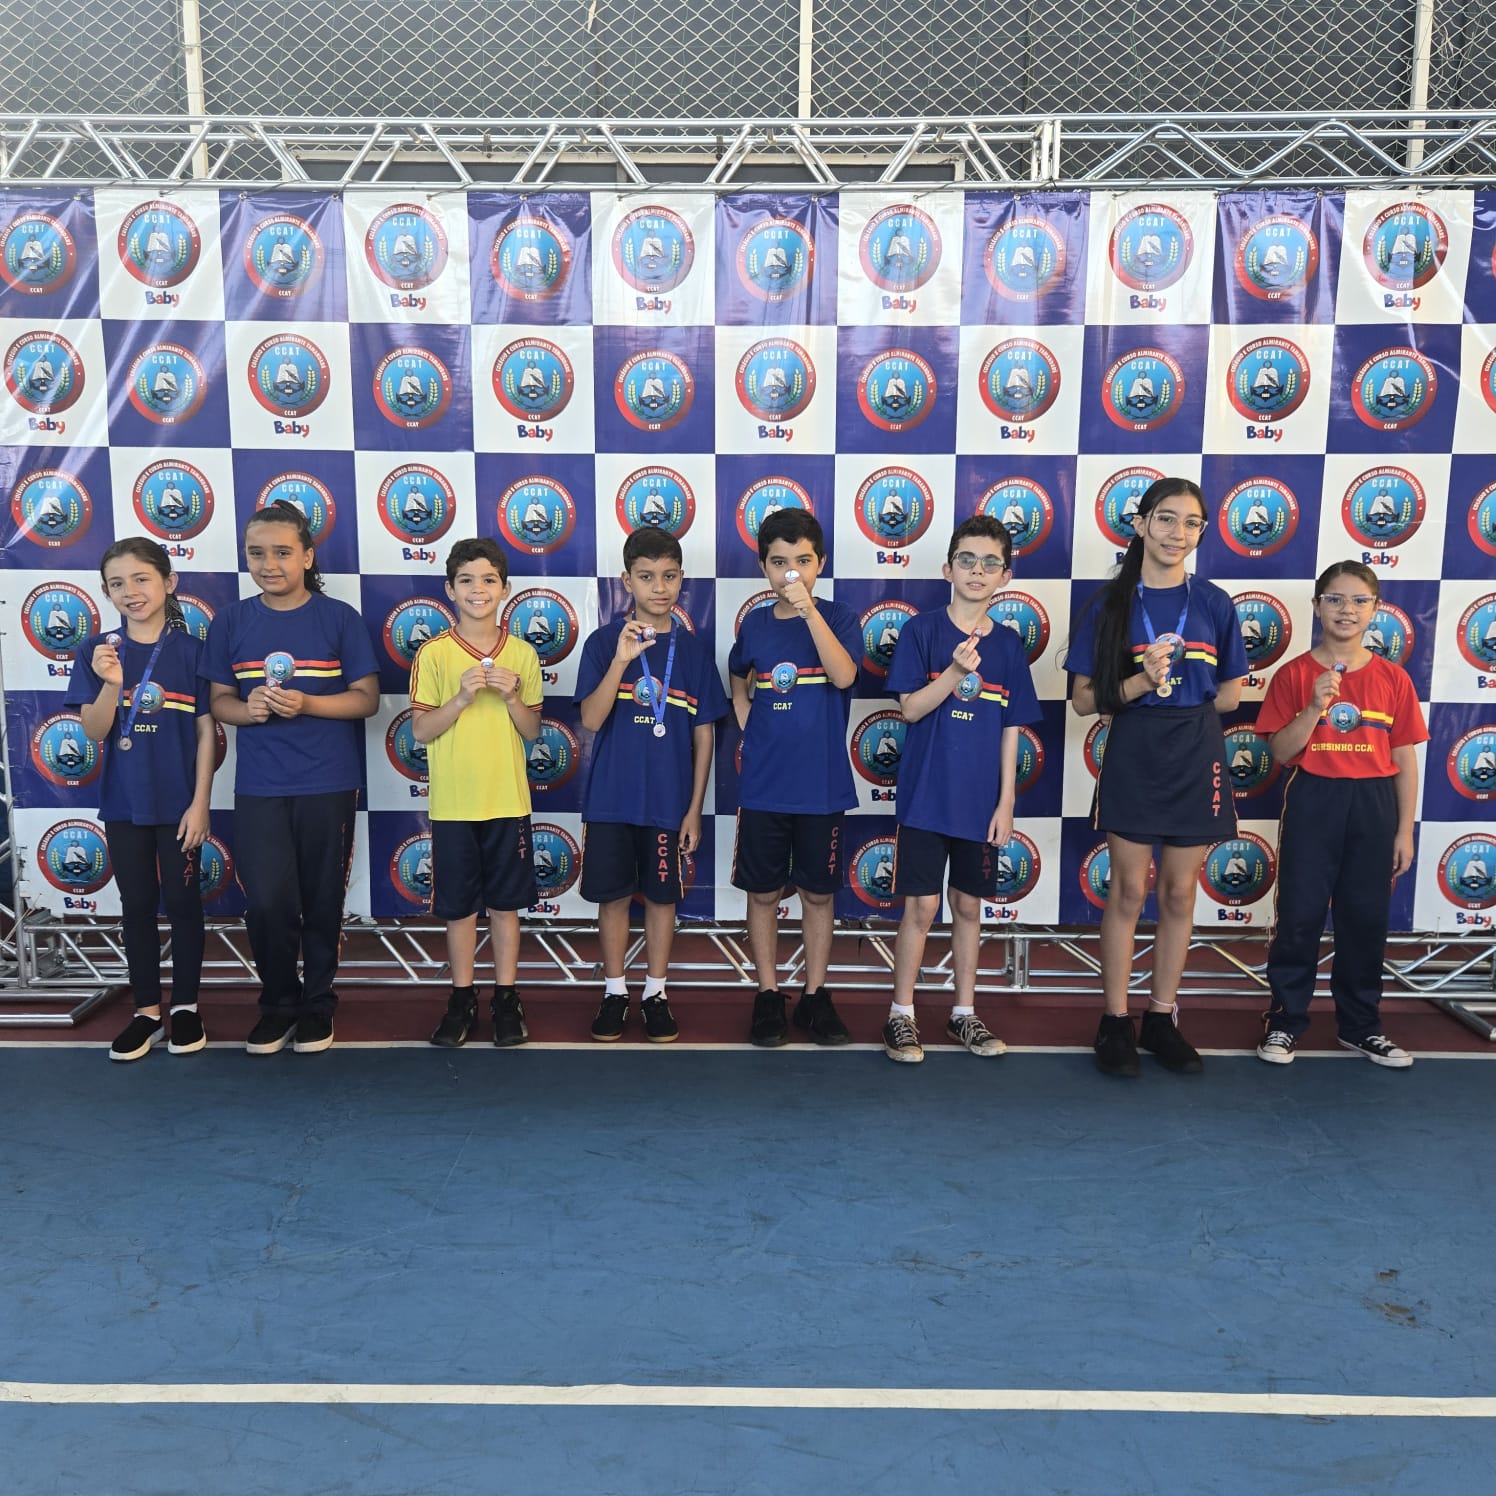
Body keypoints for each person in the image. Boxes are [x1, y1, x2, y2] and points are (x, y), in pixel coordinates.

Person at [1066, 477, 1247, 1077]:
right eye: (1166, 519)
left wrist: (1179, 694)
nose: (1178, 533)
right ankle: (1115, 1021)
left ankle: (1162, 1018)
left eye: (1191, 523)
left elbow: (1229, 696)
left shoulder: (1214, 602)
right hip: (1136, 747)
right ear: (1141, 524)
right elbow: (1083, 701)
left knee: (1178, 892)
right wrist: (1143, 682)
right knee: (1127, 891)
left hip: (1196, 749)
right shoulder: (1109, 604)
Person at [205, 501, 380, 1055]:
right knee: (267, 901)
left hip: (328, 781)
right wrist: (248, 709)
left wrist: (308, 703)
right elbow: (219, 702)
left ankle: (318, 1003)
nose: (269, 564)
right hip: (260, 785)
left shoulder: (339, 618)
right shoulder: (231, 621)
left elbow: (367, 700)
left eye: (282, 552)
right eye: (257, 553)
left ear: (307, 556)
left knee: (322, 899)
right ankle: (278, 1003)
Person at [881, 517, 1042, 1063]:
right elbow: (909, 709)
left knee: (968, 906)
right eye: (967, 560)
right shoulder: (922, 632)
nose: (978, 570)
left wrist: (1006, 801)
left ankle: (963, 1013)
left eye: (990, 562)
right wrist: (952, 672)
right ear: (948, 569)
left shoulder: (1009, 646)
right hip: (926, 798)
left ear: (1005, 576)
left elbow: (1011, 728)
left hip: (979, 805)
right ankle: (901, 1014)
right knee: (922, 907)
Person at [1254, 562, 1427, 1068]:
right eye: (1334, 599)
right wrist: (1312, 708)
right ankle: (1285, 1021)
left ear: (1375, 610)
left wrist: (1404, 830)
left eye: (1358, 600)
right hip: (1315, 799)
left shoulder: (1393, 678)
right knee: (1300, 916)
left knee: (1365, 919)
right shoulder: (1293, 674)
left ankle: (1361, 1026)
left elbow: (1404, 760)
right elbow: (1281, 752)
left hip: (1374, 804)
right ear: (1317, 606)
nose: (1346, 610)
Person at [574, 528, 729, 1041]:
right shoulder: (603, 644)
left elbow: (704, 735)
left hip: (668, 801)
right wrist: (621, 661)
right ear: (627, 581)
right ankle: (615, 991)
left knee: (663, 900)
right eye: (646, 577)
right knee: (614, 898)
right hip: (612, 800)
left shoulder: (694, 652)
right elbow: (591, 721)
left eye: (668, 576)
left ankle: (656, 993)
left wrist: (694, 808)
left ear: (682, 579)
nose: (659, 587)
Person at [66, 539, 215, 1061]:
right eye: (117, 583)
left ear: (169, 583)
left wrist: (200, 803)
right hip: (124, 803)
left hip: (180, 805)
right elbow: (93, 730)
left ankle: (187, 1008)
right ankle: (147, 1012)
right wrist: (111, 683)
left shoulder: (193, 651)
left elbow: (206, 732)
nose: (130, 591)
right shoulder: (97, 650)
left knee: (184, 904)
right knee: (136, 907)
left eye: (141, 578)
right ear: (106, 592)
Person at [728, 508, 861, 1047]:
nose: (791, 573)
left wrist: (809, 613)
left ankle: (814, 996)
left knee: (818, 896)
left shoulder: (840, 617)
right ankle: (767, 995)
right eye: (779, 562)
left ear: (819, 563)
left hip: (821, 786)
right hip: (764, 785)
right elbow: (737, 675)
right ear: (763, 566)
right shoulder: (755, 624)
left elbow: (844, 675)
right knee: (762, 894)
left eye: (802, 561)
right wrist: (746, 717)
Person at [414, 539, 542, 1049]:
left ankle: (506, 998)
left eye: (489, 580)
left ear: (505, 589)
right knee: (460, 909)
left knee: (506, 907)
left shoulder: (523, 653)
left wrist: (511, 696)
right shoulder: (434, 653)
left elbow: (532, 730)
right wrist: (462, 697)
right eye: (466, 580)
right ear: (450, 590)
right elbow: (420, 731)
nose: (478, 589)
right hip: (453, 806)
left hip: (507, 800)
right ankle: (461, 997)